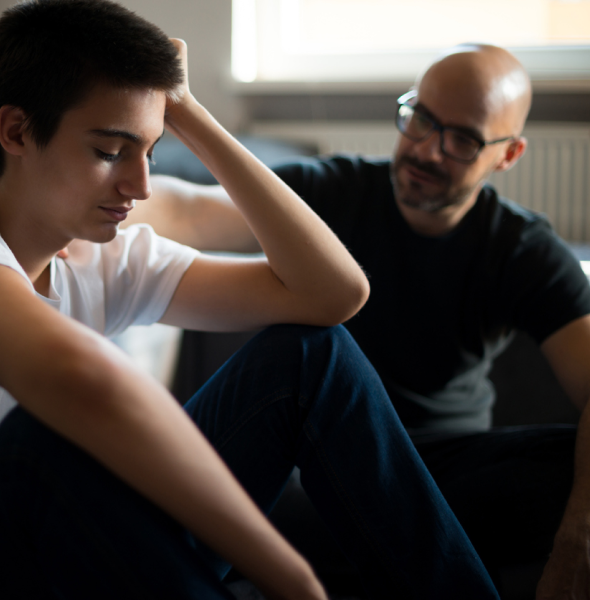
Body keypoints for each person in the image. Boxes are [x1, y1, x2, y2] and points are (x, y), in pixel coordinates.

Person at [0, 2, 502, 599]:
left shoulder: (102, 252)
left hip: (71, 547)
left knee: (309, 354)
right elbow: (87, 383)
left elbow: (334, 294)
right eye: (112, 151)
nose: (141, 186)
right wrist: (289, 577)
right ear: (17, 132)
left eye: (149, 150)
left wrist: (193, 115)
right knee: (47, 441)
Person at [130, 44, 590, 599]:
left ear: (508, 154)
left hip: (444, 477)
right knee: (307, 356)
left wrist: (574, 542)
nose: (426, 150)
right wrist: (80, 199)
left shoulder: (521, 249)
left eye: (462, 139)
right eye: (421, 118)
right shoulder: (338, 191)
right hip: (317, 472)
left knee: (574, 466)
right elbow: (190, 209)